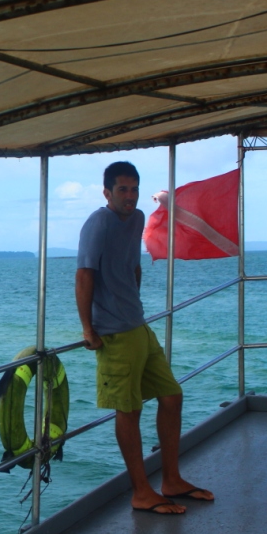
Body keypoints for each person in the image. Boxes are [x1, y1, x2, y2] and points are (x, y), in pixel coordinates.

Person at [76, 161, 214, 515]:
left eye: (134, 189)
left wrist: (132, 300)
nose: (130, 196)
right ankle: (141, 491)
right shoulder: (98, 223)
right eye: (122, 189)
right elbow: (84, 275)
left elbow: (132, 264)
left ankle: (171, 479)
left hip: (137, 324)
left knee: (171, 396)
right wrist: (89, 329)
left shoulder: (136, 219)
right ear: (107, 192)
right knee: (129, 409)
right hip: (114, 334)